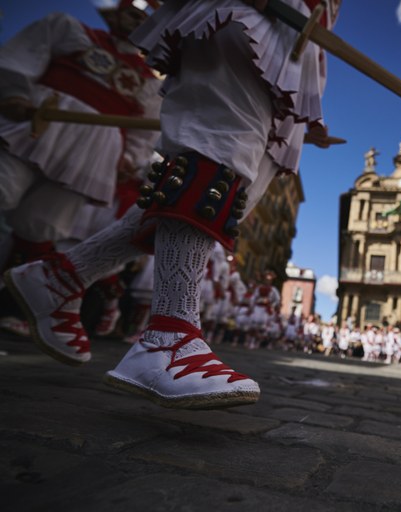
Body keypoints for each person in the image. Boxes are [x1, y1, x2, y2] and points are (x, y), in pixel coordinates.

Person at [4, 0, 341, 409]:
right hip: (255, 15)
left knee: (216, 200)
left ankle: (62, 277)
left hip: (294, 42)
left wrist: (306, 106)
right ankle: (168, 335)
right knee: (215, 158)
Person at [0, 0, 163, 331]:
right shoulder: (71, 30)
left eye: (146, 19)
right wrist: (13, 95)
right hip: (37, 129)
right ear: (115, 13)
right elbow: (19, 60)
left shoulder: (150, 83)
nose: (137, 21)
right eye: (133, 12)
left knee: (42, 226)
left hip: (91, 158)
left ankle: (12, 309)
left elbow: (143, 132)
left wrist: (128, 160)